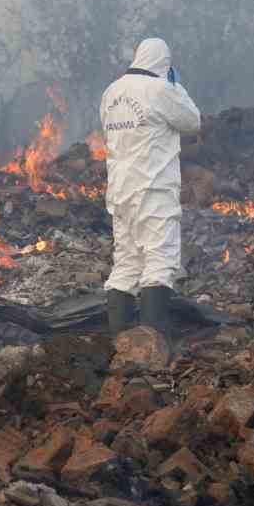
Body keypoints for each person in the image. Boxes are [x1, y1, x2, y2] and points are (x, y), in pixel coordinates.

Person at [100, 38, 201, 337]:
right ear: (164, 63)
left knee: (127, 261)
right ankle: (151, 341)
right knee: (161, 258)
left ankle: (120, 339)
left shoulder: (111, 92)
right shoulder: (160, 90)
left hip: (120, 191)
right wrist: (175, 86)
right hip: (153, 188)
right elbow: (192, 121)